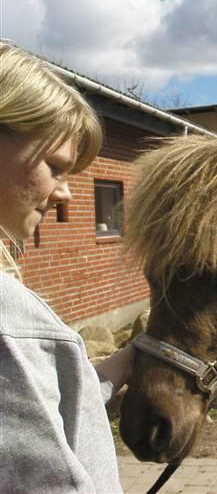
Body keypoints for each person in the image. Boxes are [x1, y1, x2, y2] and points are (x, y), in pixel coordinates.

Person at [0, 41, 135, 493]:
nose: (65, 194)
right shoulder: (11, 324)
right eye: (55, 167)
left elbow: (37, 406)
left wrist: (123, 363)